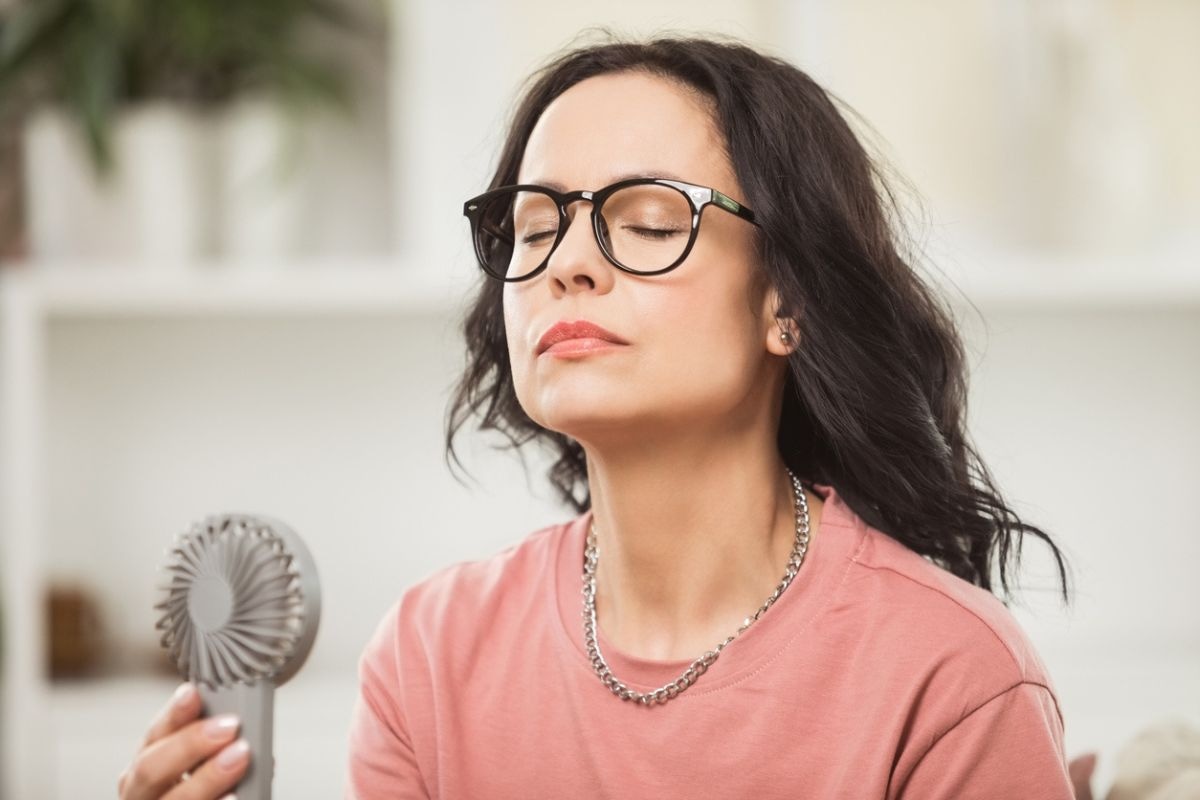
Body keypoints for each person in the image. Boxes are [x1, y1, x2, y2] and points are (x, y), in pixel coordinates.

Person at [117, 31, 1077, 800]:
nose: (567, 261)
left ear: (789, 303)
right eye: (534, 228)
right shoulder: (430, 653)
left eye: (649, 224)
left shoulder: (951, 679)